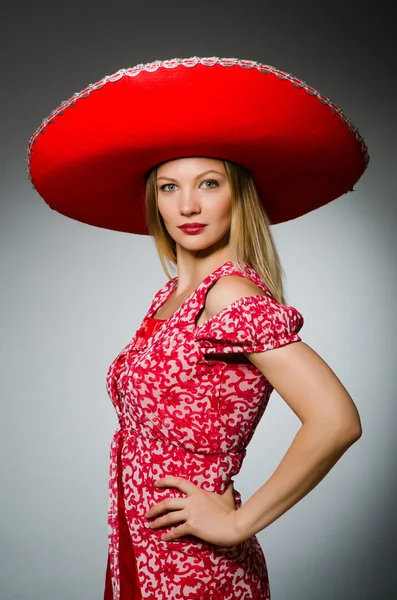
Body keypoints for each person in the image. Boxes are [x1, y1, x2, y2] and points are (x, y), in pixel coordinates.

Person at [26, 56, 369, 600]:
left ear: (238, 194)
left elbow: (336, 420)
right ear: (153, 200)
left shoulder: (231, 294)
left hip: (193, 564)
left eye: (208, 183)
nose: (187, 204)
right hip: (138, 546)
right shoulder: (170, 298)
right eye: (168, 187)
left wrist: (238, 523)